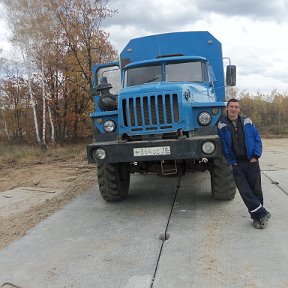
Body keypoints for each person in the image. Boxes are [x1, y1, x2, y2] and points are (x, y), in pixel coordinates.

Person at [218, 98, 271, 229]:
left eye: (236, 107)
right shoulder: (221, 124)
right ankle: (263, 213)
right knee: (244, 191)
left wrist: (255, 155)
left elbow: (257, 138)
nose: (234, 109)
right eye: (231, 106)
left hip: (251, 161)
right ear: (227, 108)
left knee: (256, 189)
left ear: (239, 109)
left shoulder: (247, 121)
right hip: (237, 163)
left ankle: (258, 218)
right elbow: (223, 145)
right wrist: (231, 161)